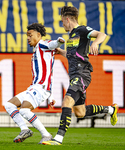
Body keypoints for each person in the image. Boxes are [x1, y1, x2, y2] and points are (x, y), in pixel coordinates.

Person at [42, 6, 119, 145]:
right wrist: (61, 52)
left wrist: (95, 42)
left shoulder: (82, 30)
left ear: (67, 19)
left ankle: (58, 139)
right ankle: (111, 109)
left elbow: (102, 34)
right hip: (76, 75)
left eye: (62, 21)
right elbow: (73, 55)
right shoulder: (72, 36)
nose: (62, 24)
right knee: (80, 112)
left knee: (66, 102)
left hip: (81, 74)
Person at [4, 23, 65, 144]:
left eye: (30, 35)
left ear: (38, 35)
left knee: (24, 110)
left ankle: (46, 135)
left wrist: (58, 42)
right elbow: (49, 74)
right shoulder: (38, 50)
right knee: (9, 105)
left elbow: (52, 44)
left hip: (40, 88)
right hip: (35, 87)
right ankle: (24, 130)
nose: (28, 38)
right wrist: (50, 95)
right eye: (27, 35)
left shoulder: (42, 44)